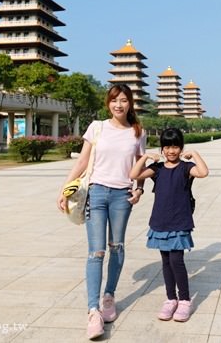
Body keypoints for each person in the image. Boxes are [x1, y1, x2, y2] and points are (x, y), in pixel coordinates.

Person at [56, 84, 146, 340]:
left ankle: (109, 297)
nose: (119, 105)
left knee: (117, 246)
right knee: (96, 252)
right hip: (96, 193)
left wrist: (139, 189)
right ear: (108, 103)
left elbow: (140, 166)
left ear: (130, 104)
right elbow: (83, 161)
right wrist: (65, 189)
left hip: (122, 197)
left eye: (124, 100)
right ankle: (93, 311)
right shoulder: (97, 127)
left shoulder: (138, 132)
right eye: (114, 100)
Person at [129, 127, 209, 322]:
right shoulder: (157, 169)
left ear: (181, 148)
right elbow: (133, 175)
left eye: (175, 147)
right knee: (165, 262)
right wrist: (145, 157)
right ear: (162, 149)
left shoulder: (185, 167)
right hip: (161, 221)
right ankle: (170, 298)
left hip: (179, 221)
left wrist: (196, 154)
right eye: (167, 147)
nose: (171, 151)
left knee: (177, 261)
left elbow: (203, 172)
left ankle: (184, 300)